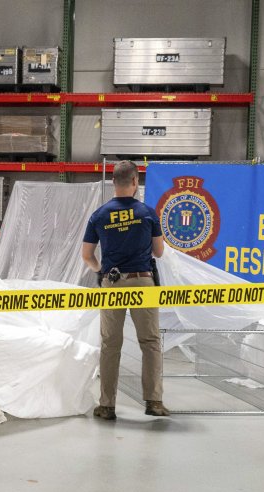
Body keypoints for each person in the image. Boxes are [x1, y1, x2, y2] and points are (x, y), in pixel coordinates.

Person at [81, 160, 169, 420]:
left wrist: (101, 271)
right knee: (150, 342)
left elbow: (86, 255)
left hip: (113, 282)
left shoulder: (99, 215)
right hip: (143, 281)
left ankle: (107, 405)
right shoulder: (148, 213)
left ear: (113, 182)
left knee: (110, 344)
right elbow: (159, 252)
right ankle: (154, 401)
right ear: (135, 181)